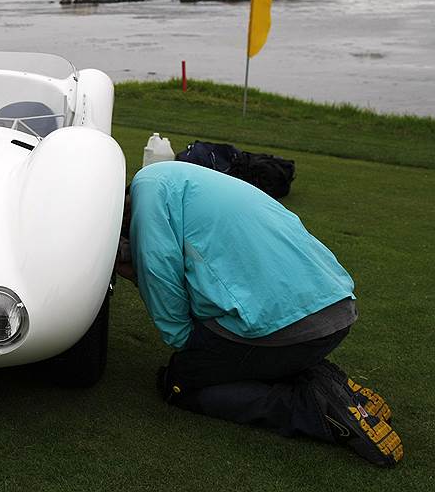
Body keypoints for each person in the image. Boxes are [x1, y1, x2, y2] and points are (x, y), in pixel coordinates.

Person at [114, 161, 403, 467]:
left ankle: (312, 408)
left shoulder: (148, 203)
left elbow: (159, 276)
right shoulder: (170, 178)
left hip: (286, 328)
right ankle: (322, 378)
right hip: (334, 308)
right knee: (236, 352)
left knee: (180, 383)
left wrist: (189, 346)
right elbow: (171, 253)